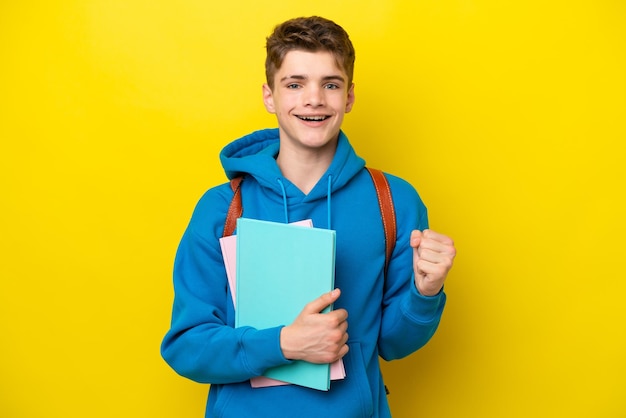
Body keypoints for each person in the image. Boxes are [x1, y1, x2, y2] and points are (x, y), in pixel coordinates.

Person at [161, 16, 456, 417]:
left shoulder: (394, 201)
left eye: (330, 84)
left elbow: (393, 343)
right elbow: (187, 346)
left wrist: (425, 292)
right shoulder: (221, 209)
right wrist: (283, 345)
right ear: (270, 96)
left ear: (349, 97)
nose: (313, 99)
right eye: (295, 84)